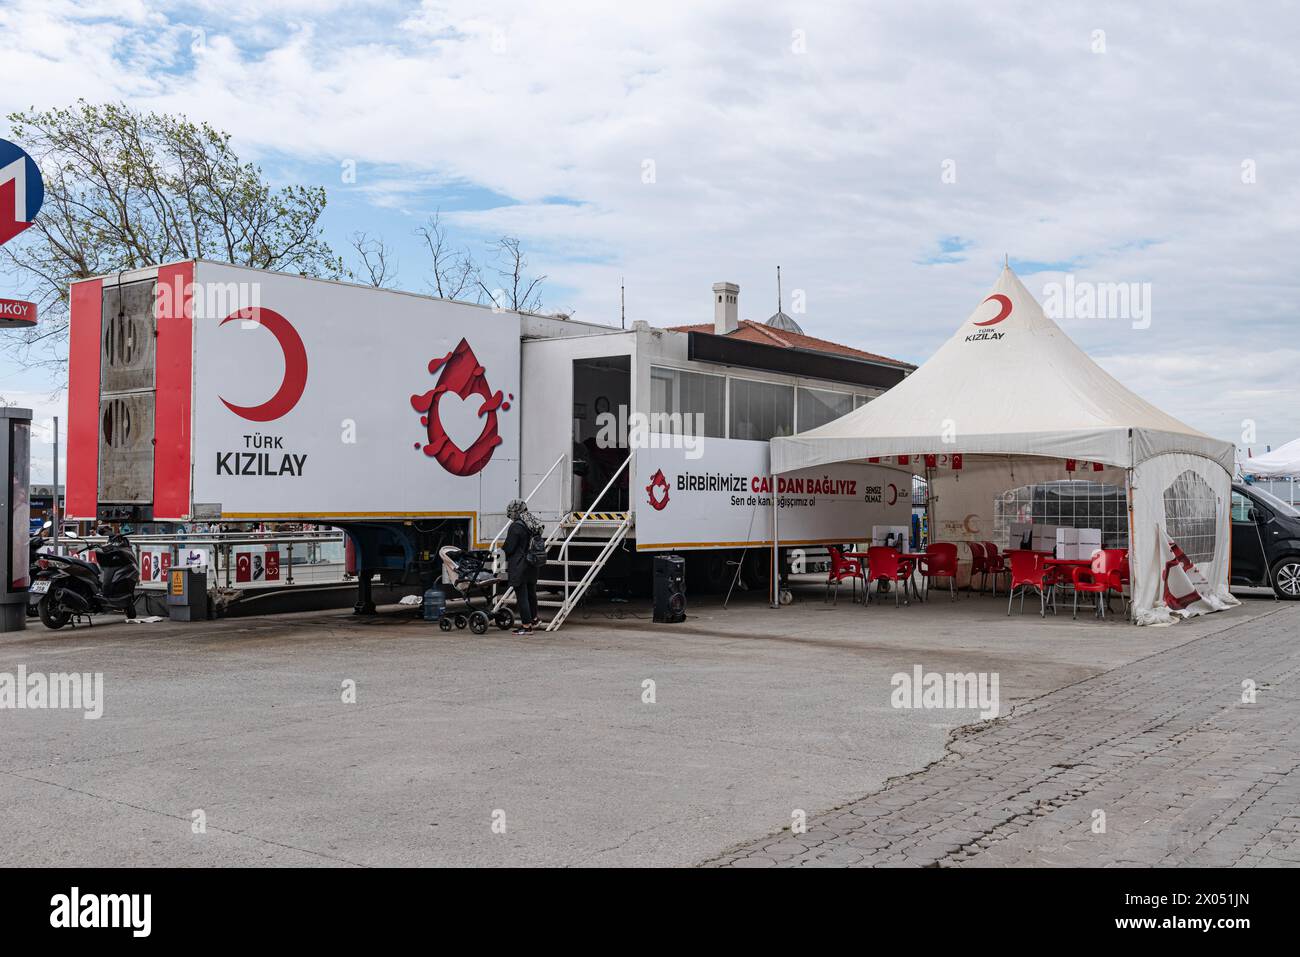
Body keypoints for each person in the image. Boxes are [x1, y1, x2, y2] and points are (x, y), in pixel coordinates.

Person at [502, 499, 543, 635]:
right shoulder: (532, 523)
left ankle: (526, 626)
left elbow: (510, 547)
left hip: (520, 564)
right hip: (532, 563)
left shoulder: (516, 527)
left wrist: (502, 551)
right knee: (531, 593)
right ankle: (534, 619)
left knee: (522, 596)